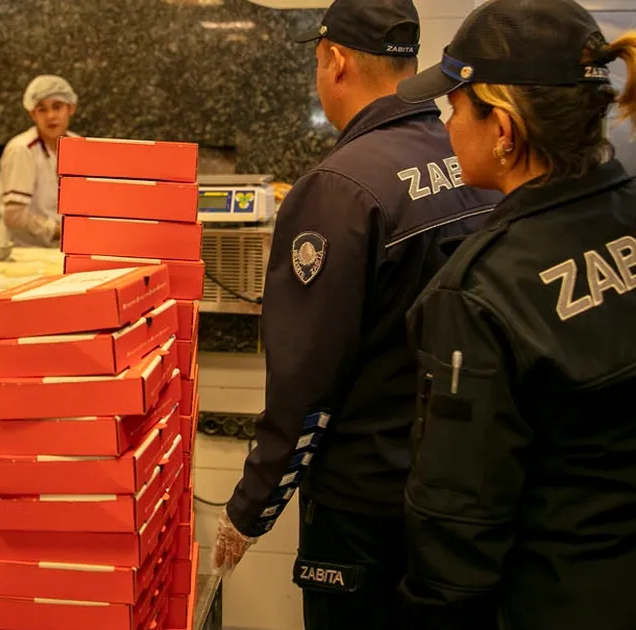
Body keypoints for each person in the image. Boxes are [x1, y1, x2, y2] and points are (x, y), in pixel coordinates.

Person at [395, 1, 636, 629]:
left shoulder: (481, 292)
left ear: (503, 128)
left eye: (456, 105)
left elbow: (458, 537)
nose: (448, 121)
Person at [211, 1, 501, 628]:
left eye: (318, 62)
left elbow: (305, 383)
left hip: (363, 508)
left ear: (336, 61)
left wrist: (249, 509)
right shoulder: (474, 156)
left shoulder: (339, 187)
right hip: (460, 488)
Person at [0, 75, 79, 247]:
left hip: (62, 250)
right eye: (42, 109)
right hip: (21, 252)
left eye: (57, 107)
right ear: (33, 114)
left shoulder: (79, 146)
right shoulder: (21, 149)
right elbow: (14, 216)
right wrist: (58, 230)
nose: (50, 116)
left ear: (71, 108)